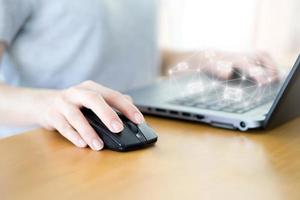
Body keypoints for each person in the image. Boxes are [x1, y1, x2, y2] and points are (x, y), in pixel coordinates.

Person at [0, 0, 278, 151]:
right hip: (48, 150)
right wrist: (49, 105)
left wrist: (207, 57)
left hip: (140, 130)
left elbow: (140, 54)